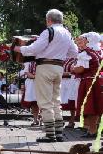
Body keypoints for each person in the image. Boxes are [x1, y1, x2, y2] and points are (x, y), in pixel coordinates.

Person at [16, 9, 78, 142]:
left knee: (45, 101)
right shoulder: (67, 33)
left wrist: (19, 49)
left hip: (45, 67)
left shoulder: (49, 31)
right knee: (56, 100)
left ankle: (50, 134)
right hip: (58, 67)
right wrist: (58, 54)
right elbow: (74, 52)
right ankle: (58, 133)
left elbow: (34, 49)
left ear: (48, 20)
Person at [72, 32, 102, 138]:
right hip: (94, 80)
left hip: (89, 82)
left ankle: (92, 130)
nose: (79, 42)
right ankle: (92, 130)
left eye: (82, 40)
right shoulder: (95, 52)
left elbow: (81, 69)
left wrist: (73, 69)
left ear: (88, 41)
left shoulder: (85, 54)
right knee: (93, 106)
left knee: (89, 107)